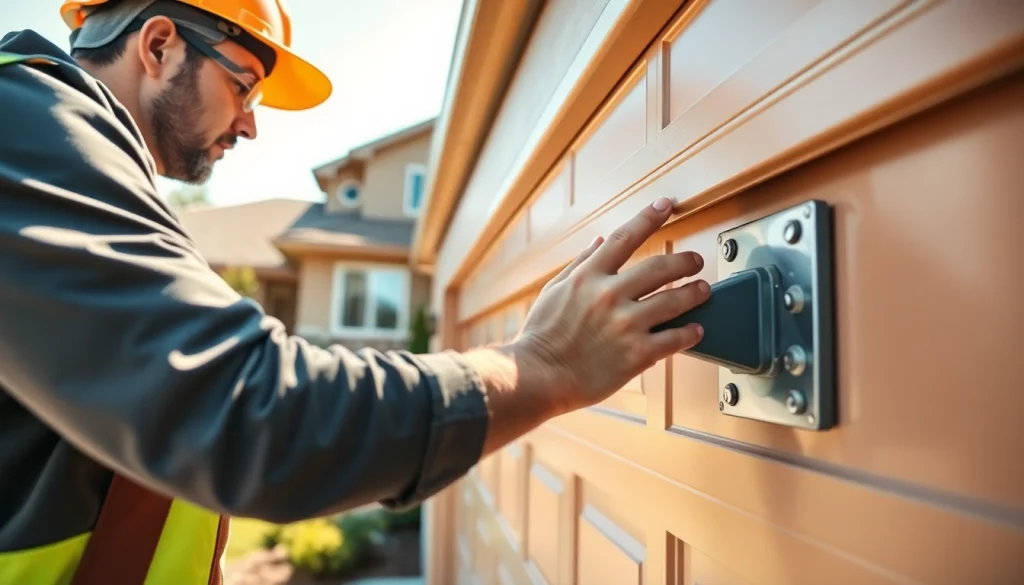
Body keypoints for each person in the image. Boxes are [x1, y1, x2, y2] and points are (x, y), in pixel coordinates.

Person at [0, 1, 710, 583]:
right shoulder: (23, 126)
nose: (250, 123)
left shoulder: (68, 166)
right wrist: (543, 366)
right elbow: (254, 417)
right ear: (158, 46)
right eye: (244, 85)